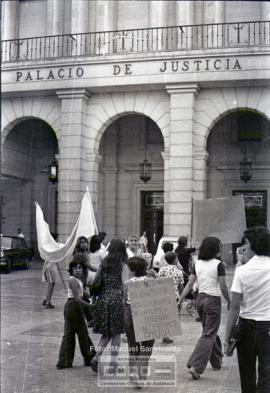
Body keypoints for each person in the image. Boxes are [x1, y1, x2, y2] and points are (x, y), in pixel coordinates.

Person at [178, 236, 231, 380]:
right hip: (213, 300)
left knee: (209, 331)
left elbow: (189, 285)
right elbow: (223, 286)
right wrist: (229, 301)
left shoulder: (197, 263)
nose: (220, 249)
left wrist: (180, 300)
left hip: (200, 300)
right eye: (219, 246)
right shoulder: (218, 264)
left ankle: (216, 360)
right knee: (209, 333)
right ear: (215, 248)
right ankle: (196, 366)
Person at [225, 226, 270, 393]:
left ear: (252, 245)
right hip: (268, 327)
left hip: (246, 328)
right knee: (267, 373)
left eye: (246, 243)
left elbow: (234, 307)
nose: (244, 247)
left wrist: (227, 336)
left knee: (247, 373)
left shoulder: (242, 271)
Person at [90, 238, 127, 373]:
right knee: (117, 333)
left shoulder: (103, 263)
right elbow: (125, 284)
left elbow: (96, 281)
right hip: (117, 300)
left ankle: (96, 356)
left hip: (103, 299)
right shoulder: (122, 264)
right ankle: (113, 363)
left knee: (107, 333)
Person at [56, 258, 96, 369]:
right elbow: (77, 298)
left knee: (69, 334)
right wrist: (90, 306)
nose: (78, 270)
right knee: (82, 333)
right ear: (71, 270)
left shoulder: (79, 280)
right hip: (74, 306)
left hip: (72, 308)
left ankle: (64, 361)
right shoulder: (73, 280)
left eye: (80, 268)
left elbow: (84, 293)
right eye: (75, 268)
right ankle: (89, 357)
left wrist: (92, 297)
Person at [124, 256, 155, 387]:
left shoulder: (127, 283)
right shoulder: (149, 281)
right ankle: (138, 374)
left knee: (133, 347)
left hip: (130, 313)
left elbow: (124, 302)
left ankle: (137, 378)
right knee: (147, 346)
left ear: (132, 270)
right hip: (146, 312)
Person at [158, 251, 184, 344]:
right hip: (175, 296)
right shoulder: (179, 272)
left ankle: (165, 335)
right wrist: (181, 297)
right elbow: (181, 286)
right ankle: (166, 336)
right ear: (175, 260)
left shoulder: (162, 270)